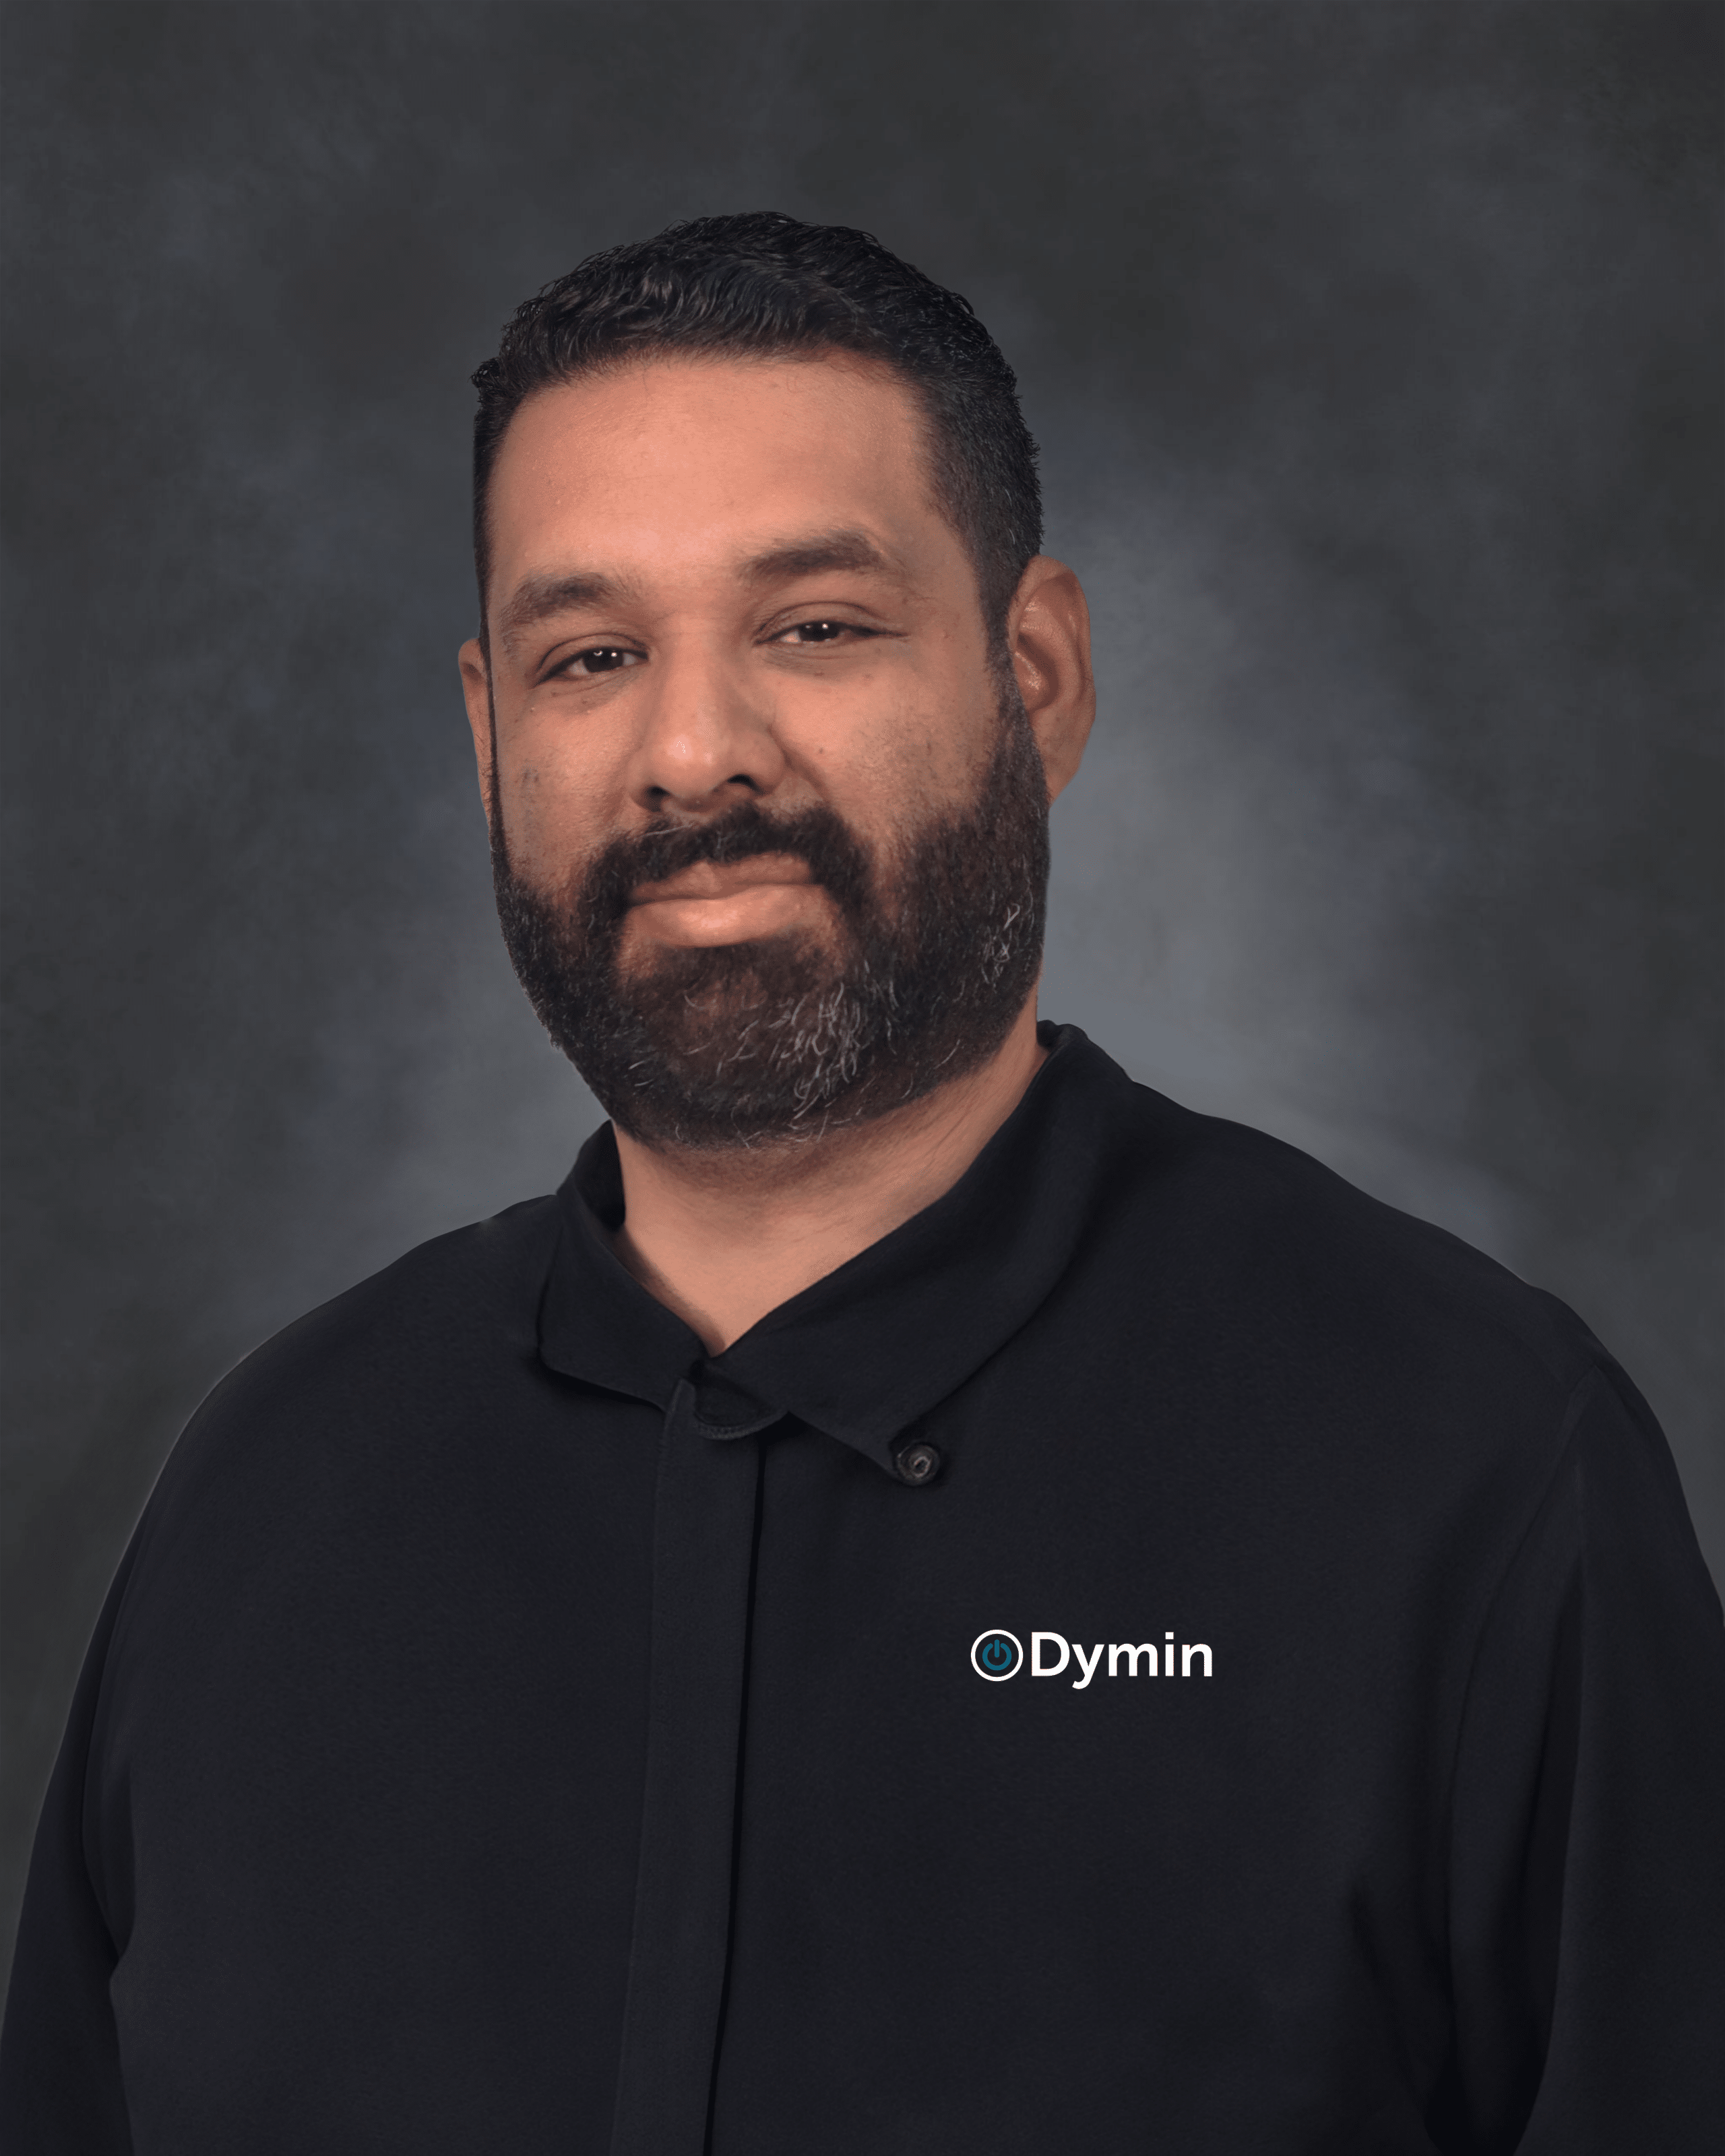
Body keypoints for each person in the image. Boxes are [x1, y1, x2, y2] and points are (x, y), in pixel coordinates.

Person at [3, 212, 1721, 2155]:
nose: (692, 752)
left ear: (1038, 677)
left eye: (813, 626)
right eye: (592, 656)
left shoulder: (1474, 1471)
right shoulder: (265, 1503)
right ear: (492, 738)